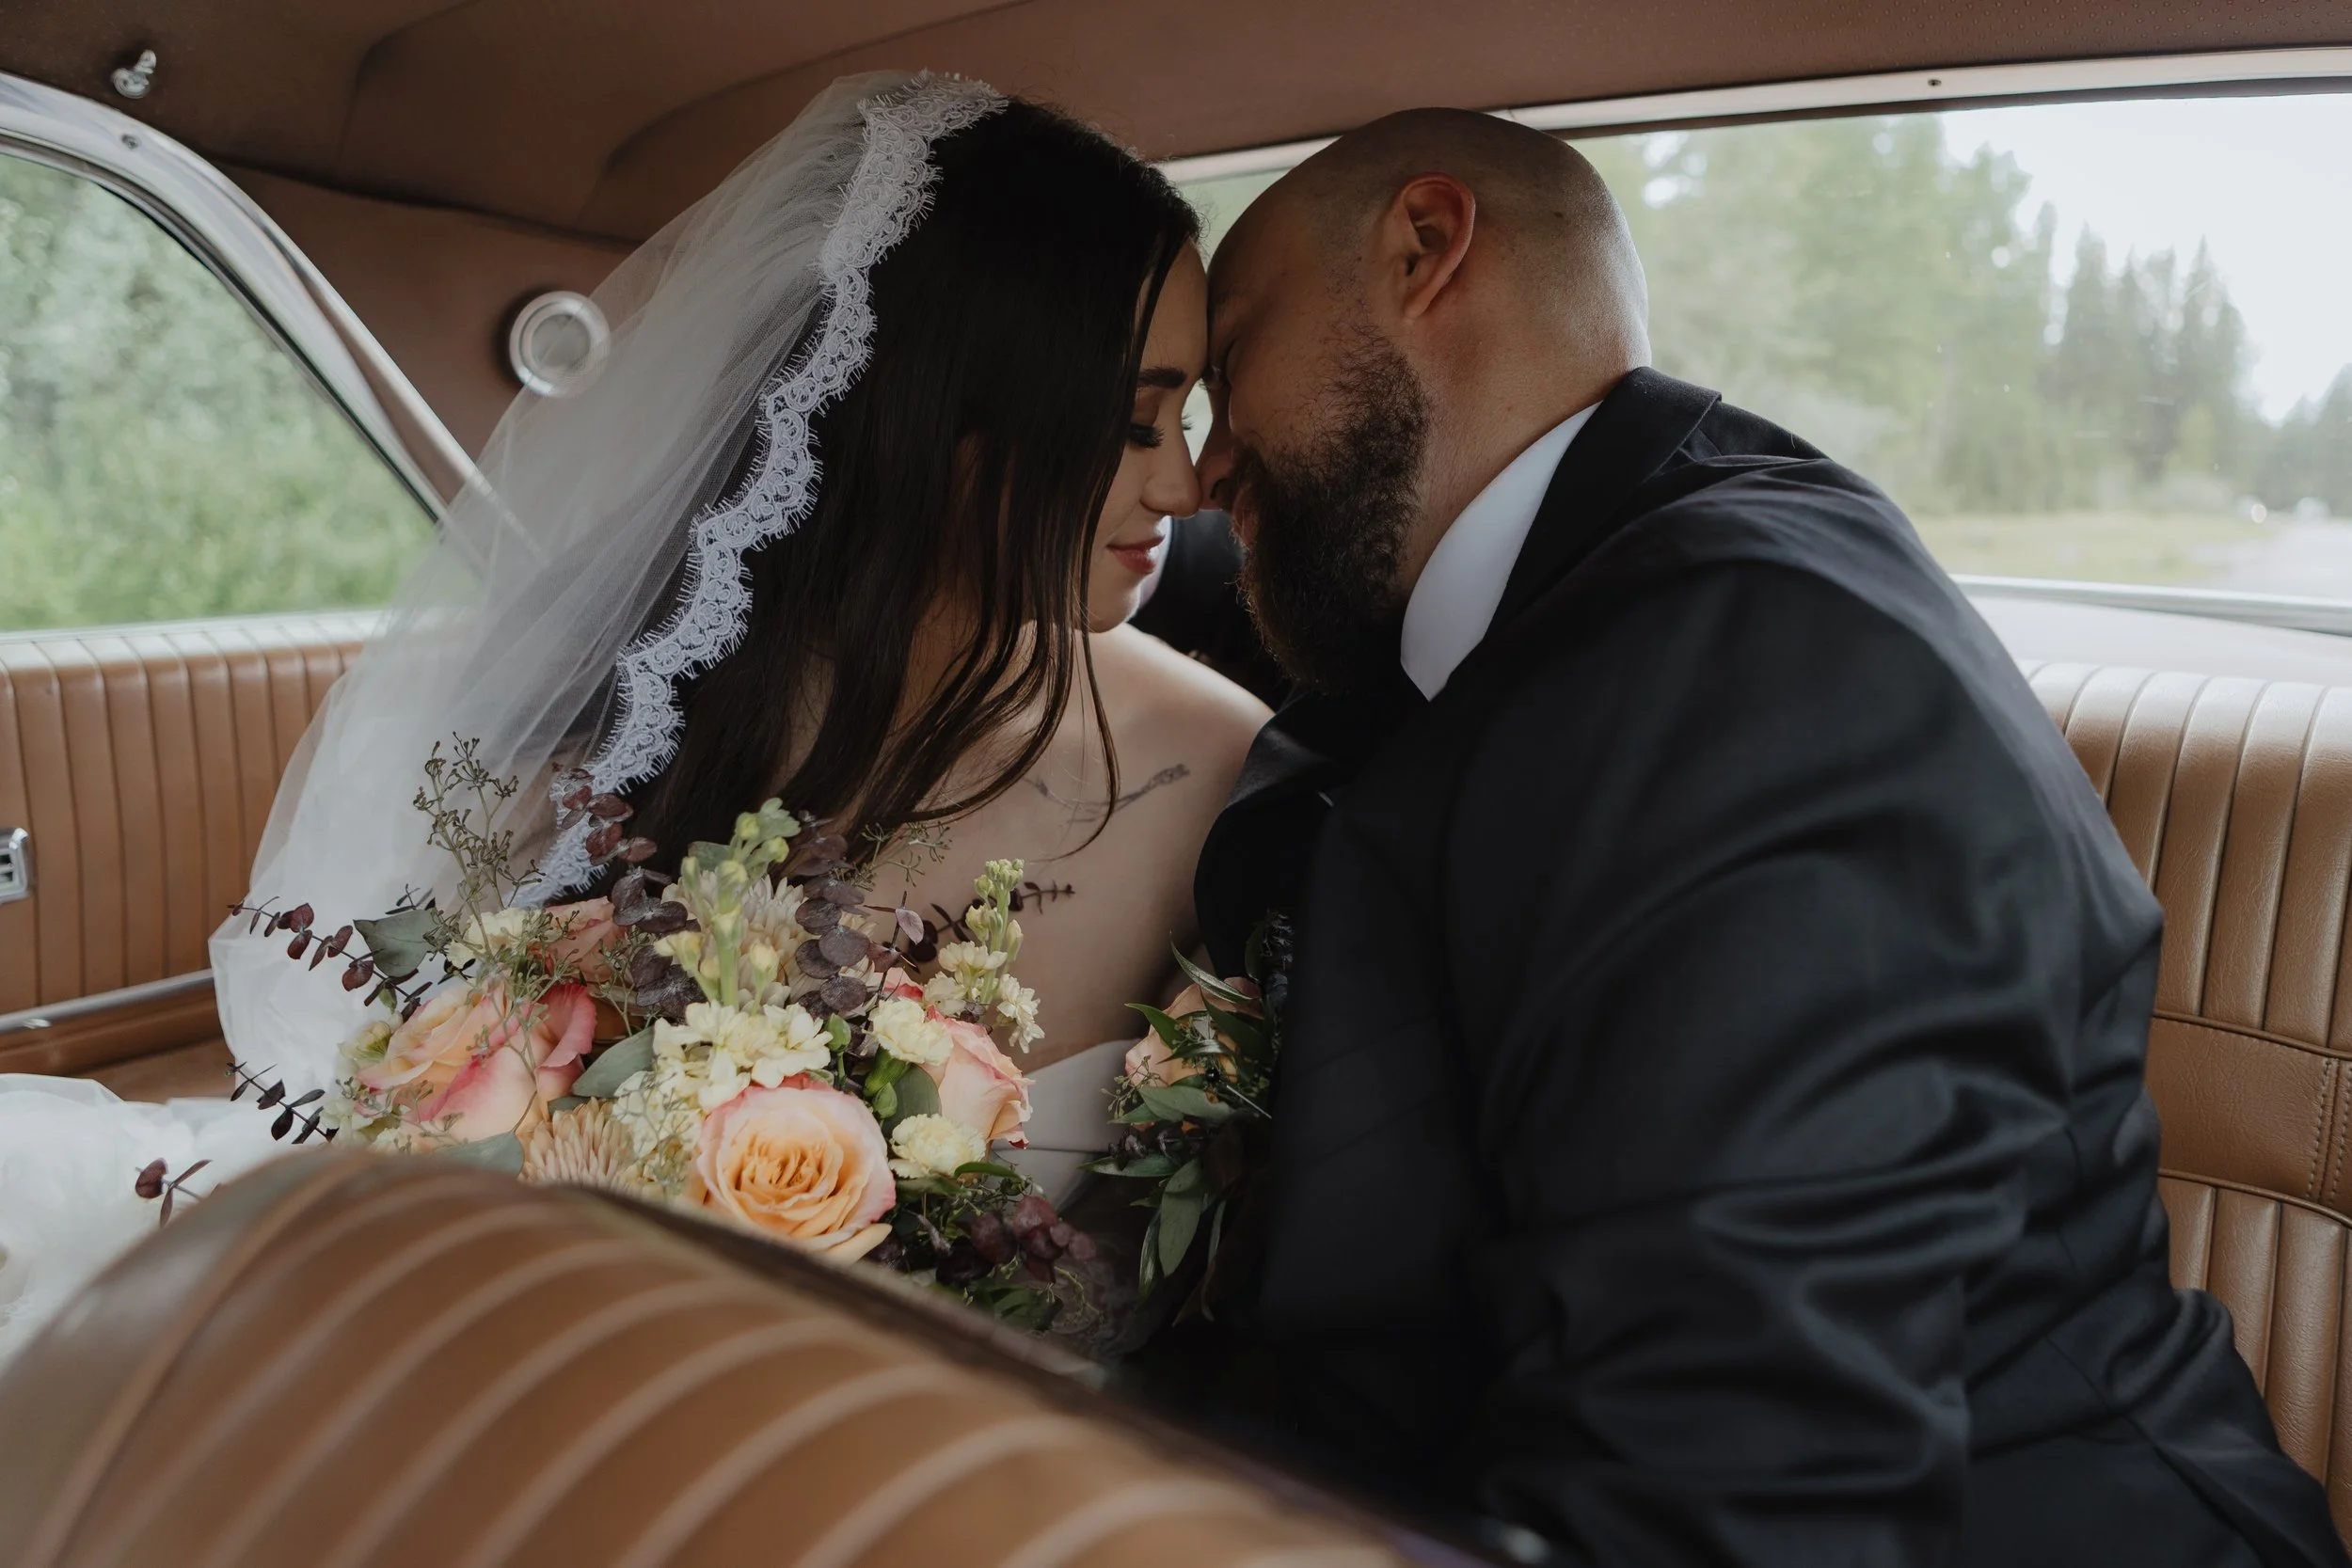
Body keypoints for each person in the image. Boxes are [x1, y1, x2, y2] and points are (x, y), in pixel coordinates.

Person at [1171, 108, 2347, 1566]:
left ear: (1425, 249)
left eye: (1228, 375)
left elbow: (1738, 1478)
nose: (1201, 467)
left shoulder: (1751, 661)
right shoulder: (1545, 594)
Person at [0, 72, 1263, 1362]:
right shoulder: (633, 719)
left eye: (1187, 418)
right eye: (1132, 421)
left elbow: (1144, 1277)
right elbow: (403, 1107)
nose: (1181, 481)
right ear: (945, 415)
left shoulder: (1209, 768)